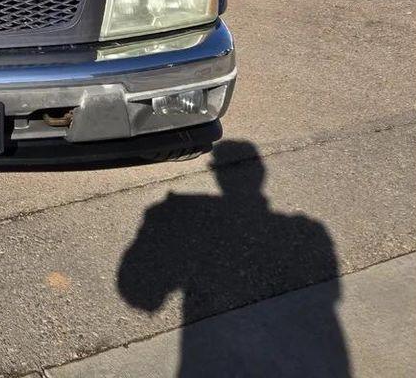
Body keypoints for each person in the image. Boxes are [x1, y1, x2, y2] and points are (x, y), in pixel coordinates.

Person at [117, 140, 350, 377]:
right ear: (261, 174)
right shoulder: (309, 231)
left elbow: (140, 296)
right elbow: (331, 293)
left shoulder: (178, 213)